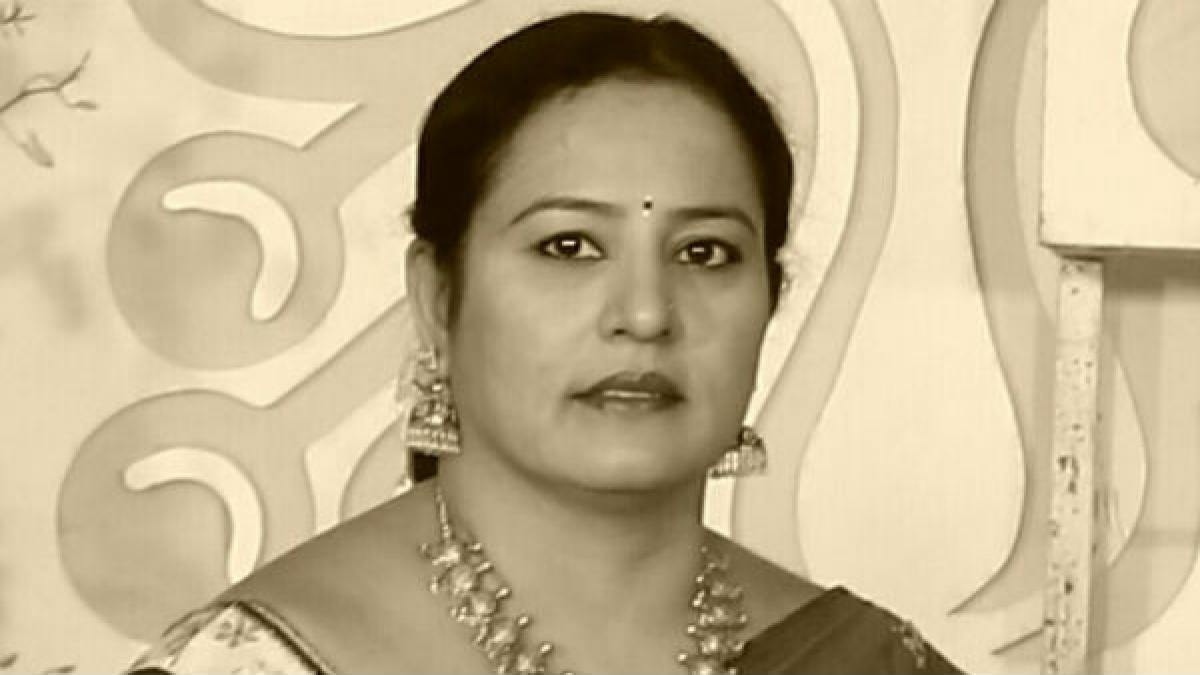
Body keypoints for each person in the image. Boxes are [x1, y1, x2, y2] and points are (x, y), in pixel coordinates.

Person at [128, 11, 963, 675]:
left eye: (705, 252)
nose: (646, 313)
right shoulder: (257, 658)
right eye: (569, 246)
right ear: (437, 298)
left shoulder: (870, 663)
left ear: (771, 301)